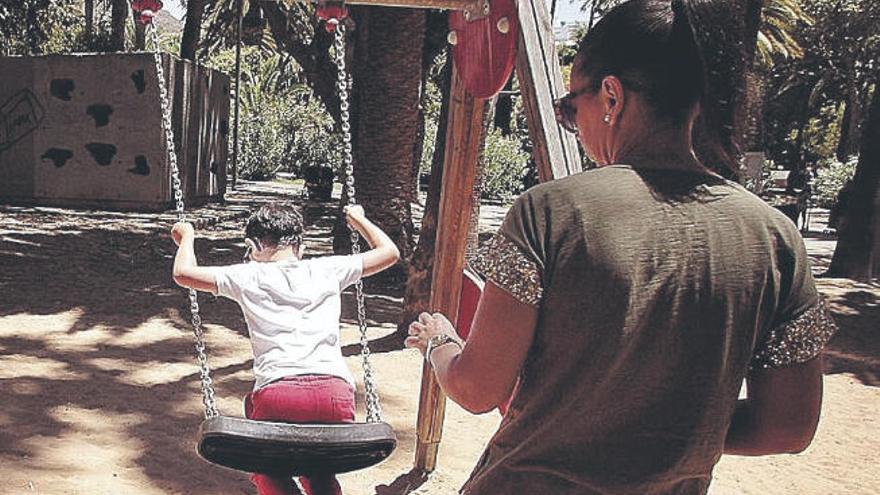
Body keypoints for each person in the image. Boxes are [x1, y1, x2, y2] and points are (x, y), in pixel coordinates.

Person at [405, 1, 837, 494]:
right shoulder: (777, 239)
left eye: (571, 108)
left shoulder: (550, 212)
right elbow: (787, 426)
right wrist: (660, 431)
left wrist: (439, 342)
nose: (575, 124)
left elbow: (479, 388)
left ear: (611, 96)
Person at [170, 203, 399, 495]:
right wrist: (359, 219)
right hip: (335, 395)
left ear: (253, 245)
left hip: (279, 394)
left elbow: (183, 273)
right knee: (320, 469)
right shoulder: (328, 268)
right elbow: (389, 252)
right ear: (299, 245)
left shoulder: (247, 275)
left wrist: (186, 236)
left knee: (268, 468)